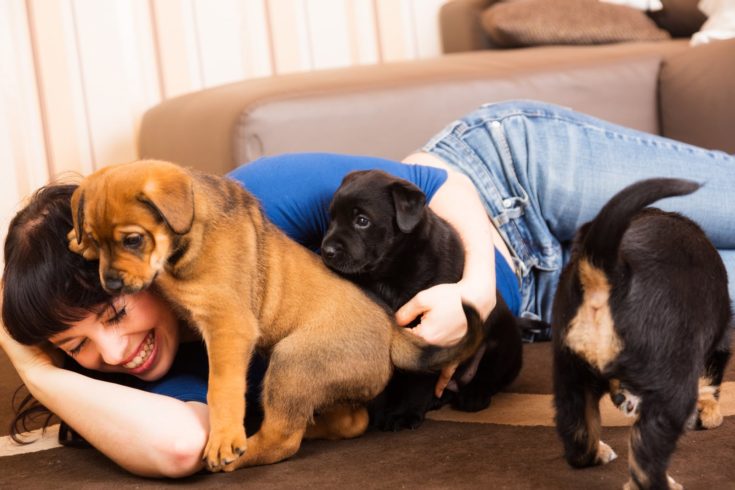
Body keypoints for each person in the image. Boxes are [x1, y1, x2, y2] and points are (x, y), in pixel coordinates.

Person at [1, 100, 733, 478]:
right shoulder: (171, 376)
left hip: (507, 181)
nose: (115, 349)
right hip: (552, 298)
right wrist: (33, 361)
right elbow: (171, 451)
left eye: (113, 306)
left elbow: (434, 185)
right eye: (77, 347)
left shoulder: (252, 208)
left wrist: (472, 291)